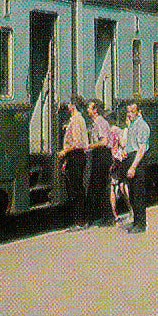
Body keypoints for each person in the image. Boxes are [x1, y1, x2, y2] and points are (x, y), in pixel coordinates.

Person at [120, 102, 150, 234]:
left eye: (132, 112)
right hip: (130, 157)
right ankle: (136, 221)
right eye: (128, 112)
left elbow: (142, 149)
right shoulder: (132, 125)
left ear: (138, 112)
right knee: (132, 193)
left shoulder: (142, 125)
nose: (130, 114)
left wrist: (133, 167)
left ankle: (141, 224)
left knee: (138, 194)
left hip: (137, 161)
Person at [59, 97, 89, 229]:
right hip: (75, 157)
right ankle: (80, 220)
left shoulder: (76, 121)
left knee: (76, 189)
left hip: (76, 156)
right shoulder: (77, 120)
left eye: (70, 104)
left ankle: (80, 221)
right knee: (77, 188)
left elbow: (77, 143)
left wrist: (65, 151)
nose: (68, 106)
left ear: (74, 106)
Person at [86, 99, 114, 226]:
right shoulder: (95, 123)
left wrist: (90, 146)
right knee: (97, 187)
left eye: (89, 108)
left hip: (102, 155)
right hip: (99, 155)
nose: (87, 110)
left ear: (95, 110)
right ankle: (103, 216)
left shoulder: (101, 122)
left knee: (101, 187)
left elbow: (104, 141)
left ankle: (108, 218)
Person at [106, 112, 130, 223]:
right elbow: (123, 144)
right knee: (123, 185)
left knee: (112, 187)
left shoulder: (107, 132)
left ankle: (114, 214)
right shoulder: (119, 131)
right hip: (119, 161)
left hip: (110, 160)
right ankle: (131, 208)